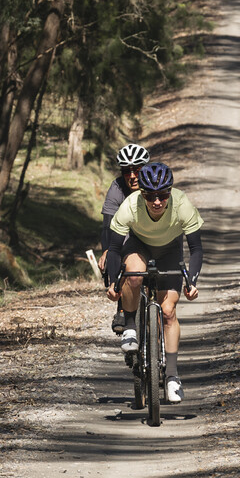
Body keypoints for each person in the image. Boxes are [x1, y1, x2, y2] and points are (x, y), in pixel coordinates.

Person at [106, 161, 203, 404]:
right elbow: (115, 249)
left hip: (169, 250)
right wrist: (114, 283)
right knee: (135, 275)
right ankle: (130, 326)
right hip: (139, 245)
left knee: (169, 311)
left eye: (162, 195)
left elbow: (196, 248)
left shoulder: (182, 205)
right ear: (142, 194)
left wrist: (191, 281)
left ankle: (172, 376)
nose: (157, 201)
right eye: (150, 195)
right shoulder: (130, 206)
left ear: (170, 192)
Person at [97, 143, 150, 336]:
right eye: (127, 171)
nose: (132, 176)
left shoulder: (156, 183)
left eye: (137, 170)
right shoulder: (117, 187)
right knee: (118, 248)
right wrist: (105, 250)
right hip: (127, 233)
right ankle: (122, 306)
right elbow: (108, 223)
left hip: (152, 234)